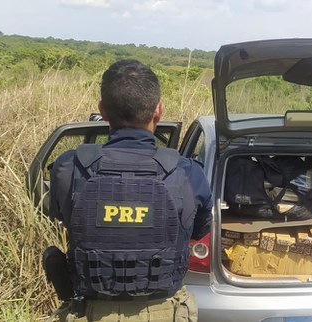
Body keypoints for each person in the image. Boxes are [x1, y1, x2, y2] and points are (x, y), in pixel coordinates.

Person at [45, 59, 212, 321]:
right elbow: (199, 230)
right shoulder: (189, 172)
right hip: (165, 313)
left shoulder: (68, 167)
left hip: (91, 313)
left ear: (102, 110)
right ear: (158, 110)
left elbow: (62, 216)